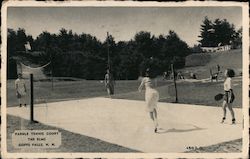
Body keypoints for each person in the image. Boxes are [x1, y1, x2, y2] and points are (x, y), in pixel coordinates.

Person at [138, 68, 160, 133]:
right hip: (156, 93)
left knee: (150, 111)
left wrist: (139, 90)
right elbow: (154, 86)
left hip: (149, 94)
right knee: (154, 108)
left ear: (146, 73)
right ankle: (156, 120)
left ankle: (155, 123)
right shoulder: (154, 79)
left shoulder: (144, 79)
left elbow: (140, 87)